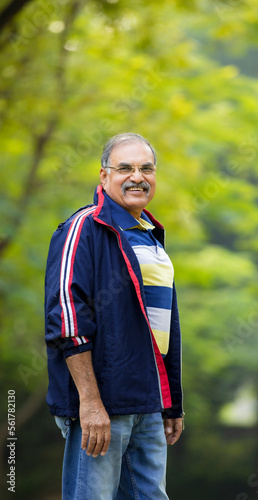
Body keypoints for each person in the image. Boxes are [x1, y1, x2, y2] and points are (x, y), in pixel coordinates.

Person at [44, 133, 184, 500]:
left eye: (146, 168)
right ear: (104, 177)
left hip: (149, 405)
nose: (137, 176)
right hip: (103, 407)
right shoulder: (84, 227)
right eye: (125, 168)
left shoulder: (150, 236)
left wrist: (170, 403)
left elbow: (161, 328)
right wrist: (90, 403)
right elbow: (67, 319)